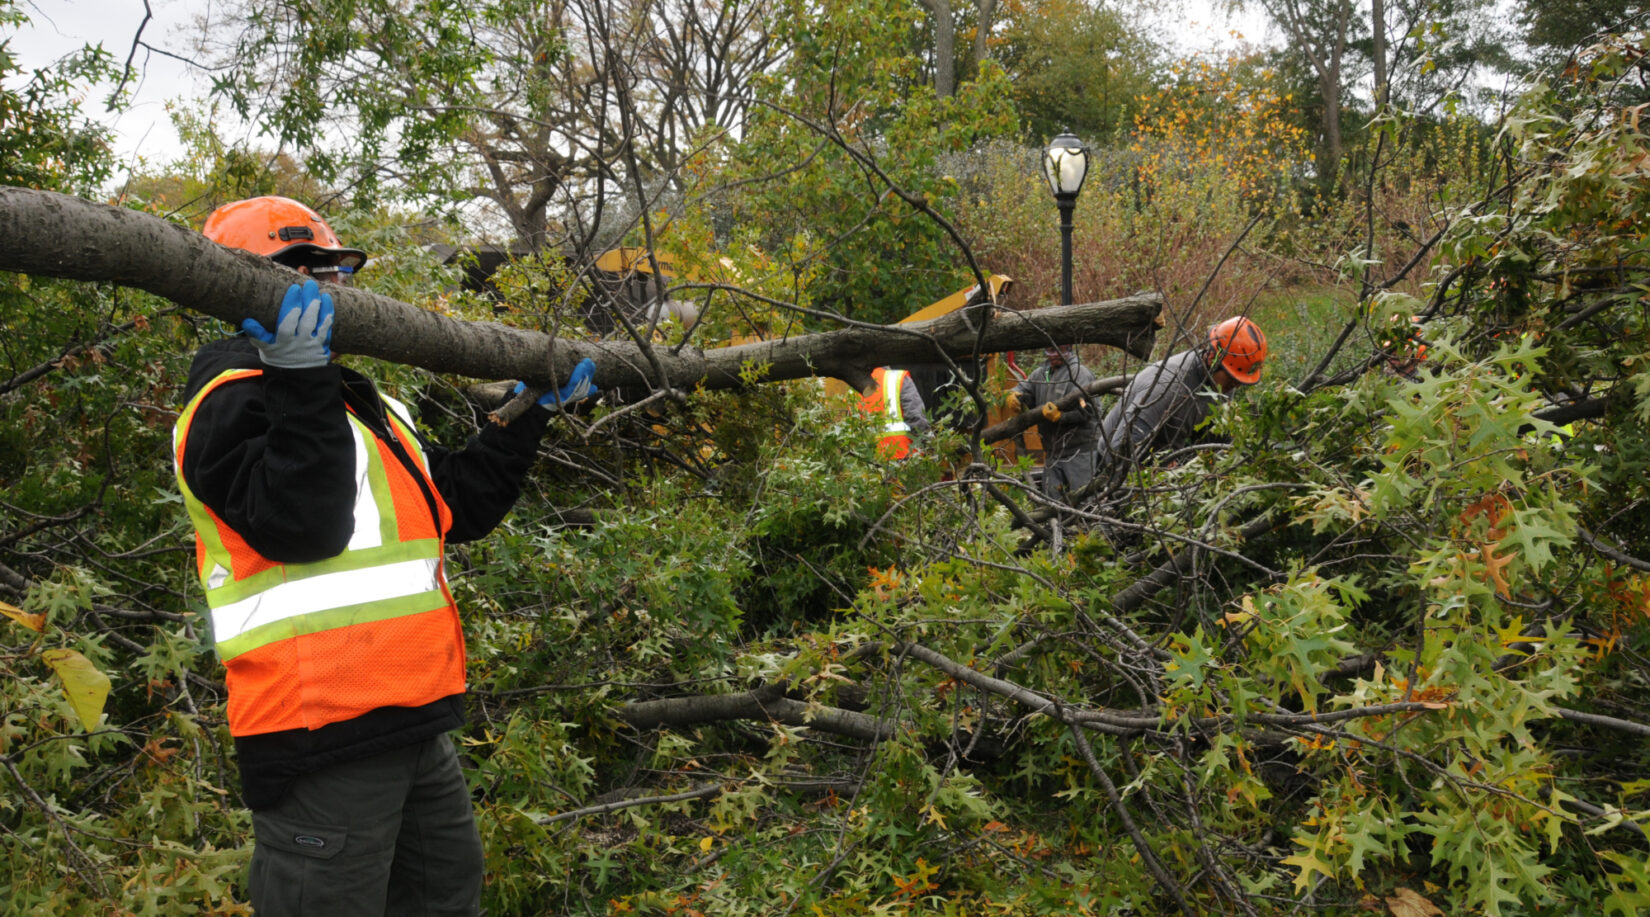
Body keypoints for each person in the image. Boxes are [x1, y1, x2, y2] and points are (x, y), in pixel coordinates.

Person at [172, 196, 596, 916]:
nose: (317, 284)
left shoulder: (360, 403)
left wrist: (529, 416)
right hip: (317, 733)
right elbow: (303, 525)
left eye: (327, 268)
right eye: (292, 269)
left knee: (445, 894)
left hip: (413, 721)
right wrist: (298, 376)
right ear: (233, 286)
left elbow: (456, 507)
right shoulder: (226, 398)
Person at [1097, 316, 1267, 467]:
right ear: (1212, 359)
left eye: (1240, 382)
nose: (1235, 387)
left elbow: (1215, 440)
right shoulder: (1169, 386)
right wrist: (1155, 471)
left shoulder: (1221, 385)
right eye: (1232, 379)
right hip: (1113, 468)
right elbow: (1119, 454)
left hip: (1168, 460)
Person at [1008, 345, 1099, 500]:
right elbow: (1025, 388)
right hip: (1052, 453)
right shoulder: (1041, 374)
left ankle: (1092, 524)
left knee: (1085, 502)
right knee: (1052, 503)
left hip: (1079, 452)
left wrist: (1061, 417)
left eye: (1061, 351)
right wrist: (1015, 394)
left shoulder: (1080, 374)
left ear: (1070, 351)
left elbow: (1089, 410)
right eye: (1051, 350)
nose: (1055, 355)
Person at [858, 366, 931, 459]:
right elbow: (917, 420)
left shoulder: (854, 387)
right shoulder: (897, 378)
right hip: (905, 459)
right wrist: (929, 447)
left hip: (870, 462)